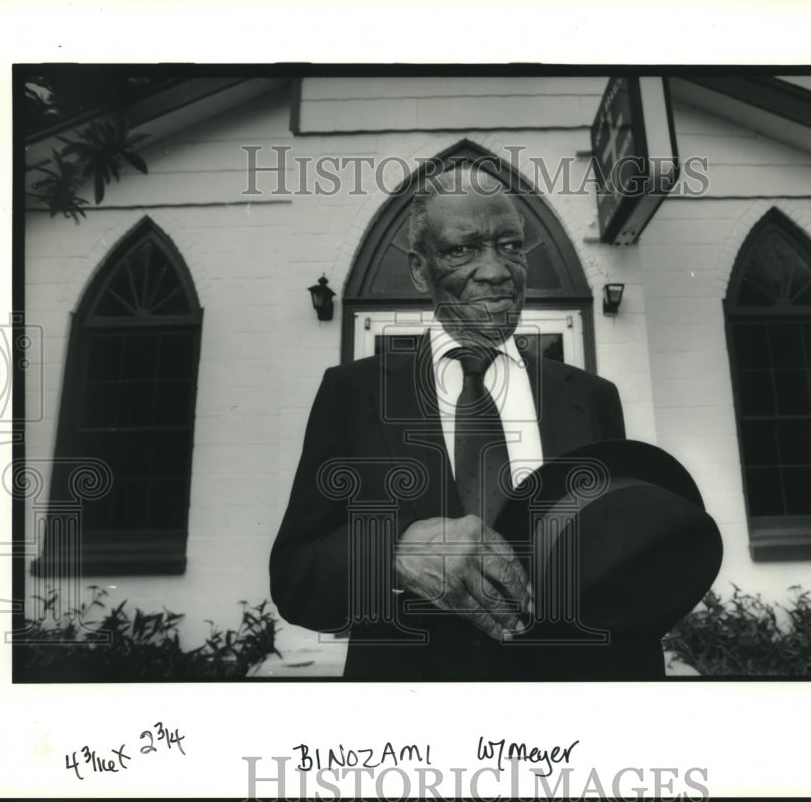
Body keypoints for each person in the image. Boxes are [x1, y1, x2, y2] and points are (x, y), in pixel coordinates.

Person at [270, 168, 630, 679]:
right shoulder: (354, 393)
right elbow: (294, 577)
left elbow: (623, 563)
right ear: (420, 270)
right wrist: (392, 553)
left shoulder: (592, 398)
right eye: (463, 250)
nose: (496, 270)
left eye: (510, 246)